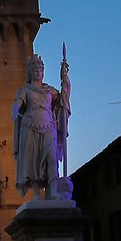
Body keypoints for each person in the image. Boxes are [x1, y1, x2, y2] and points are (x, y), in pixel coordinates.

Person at [12, 52, 72, 199]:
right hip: (29, 127)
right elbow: (17, 103)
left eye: (41, 70)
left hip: (48, 128)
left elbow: (62, 100)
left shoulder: (49, 90)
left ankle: (53, 192)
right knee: (33, 162)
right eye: (36, 70)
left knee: (51, 158)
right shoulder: (25, 90)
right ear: (30, 72)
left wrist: (65, 79)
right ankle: (36, 194)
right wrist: (14, 111)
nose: (39, 73)